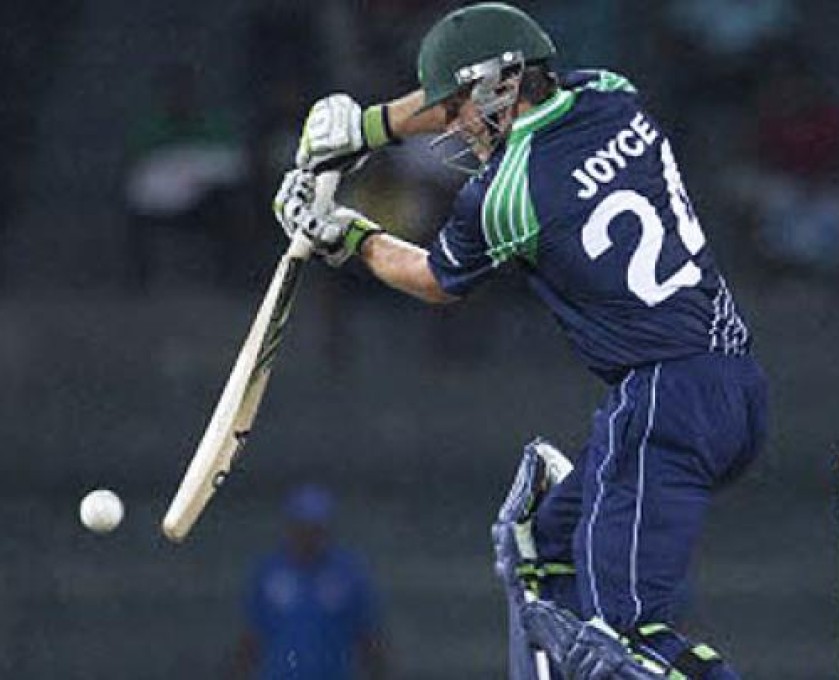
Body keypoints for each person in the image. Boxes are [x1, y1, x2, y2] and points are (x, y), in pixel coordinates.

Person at [272, 4, 768, 678]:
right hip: (733, 381)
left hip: (661, 402)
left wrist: (344, 234)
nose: (453, 126)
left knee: (621, 641)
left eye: (457, 110)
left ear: (497, 87)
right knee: (543, 545)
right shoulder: (612, 96)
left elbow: (433, 280)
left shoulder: (506, 195)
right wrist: (367, 128)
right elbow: (468, 82)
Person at [230, 484, 388, 680]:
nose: (308, 537)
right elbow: (251, 637)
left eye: (315, 529)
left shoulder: (348, 575)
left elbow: (368, 637)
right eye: (302, 528)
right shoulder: (268, 574)